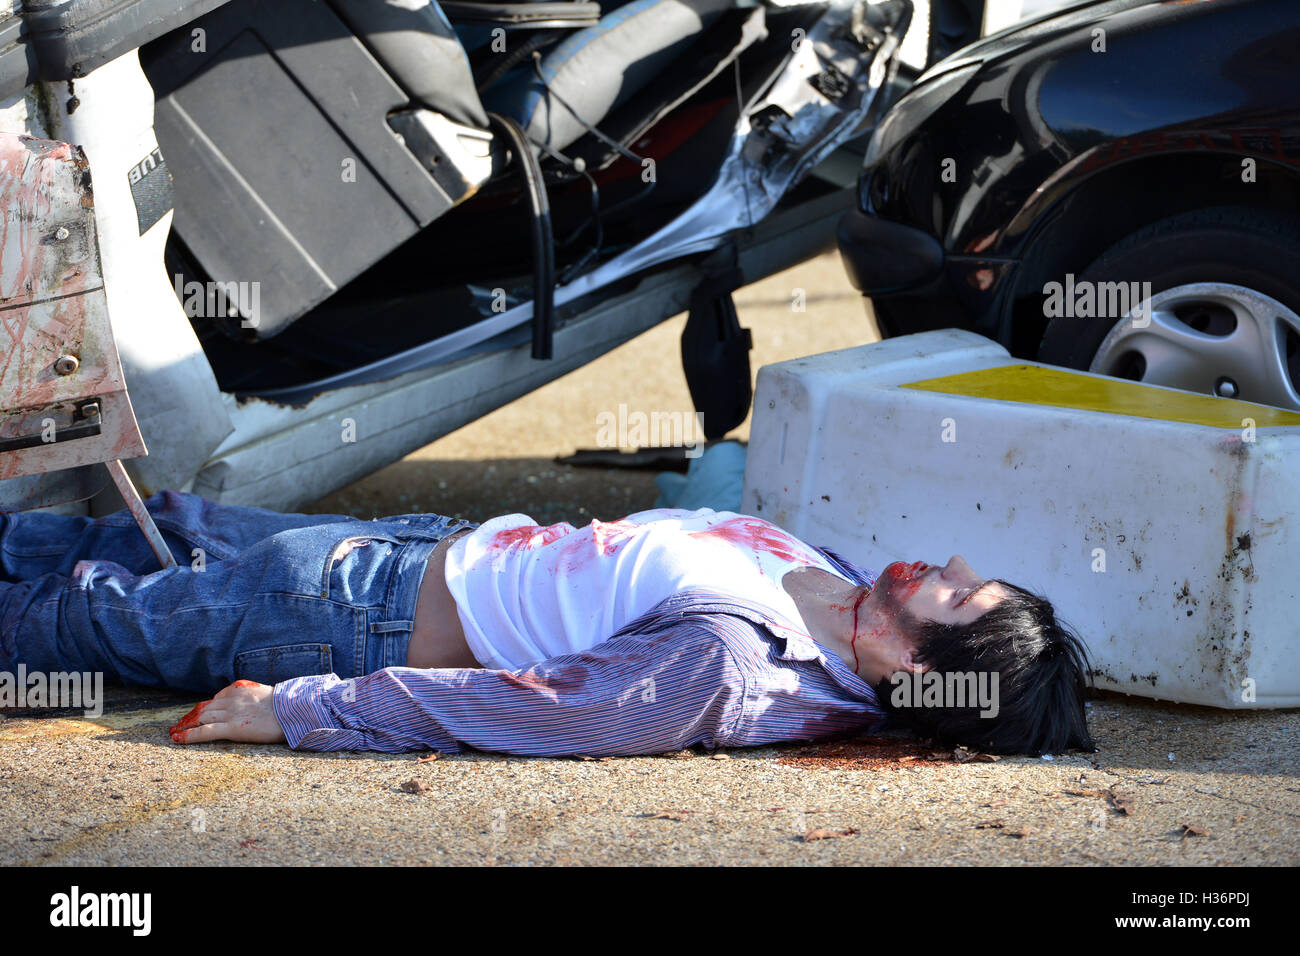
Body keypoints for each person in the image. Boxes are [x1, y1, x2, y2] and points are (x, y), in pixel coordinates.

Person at [0, 489, 1094, 756]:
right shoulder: (842, 589)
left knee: (69, 618)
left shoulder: (734, 664)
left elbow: (536, 709)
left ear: (916, 662)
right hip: (413, 543)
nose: (948, 566)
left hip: (342, 618)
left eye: (957, 597)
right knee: (127, 527)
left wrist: (299, 710)